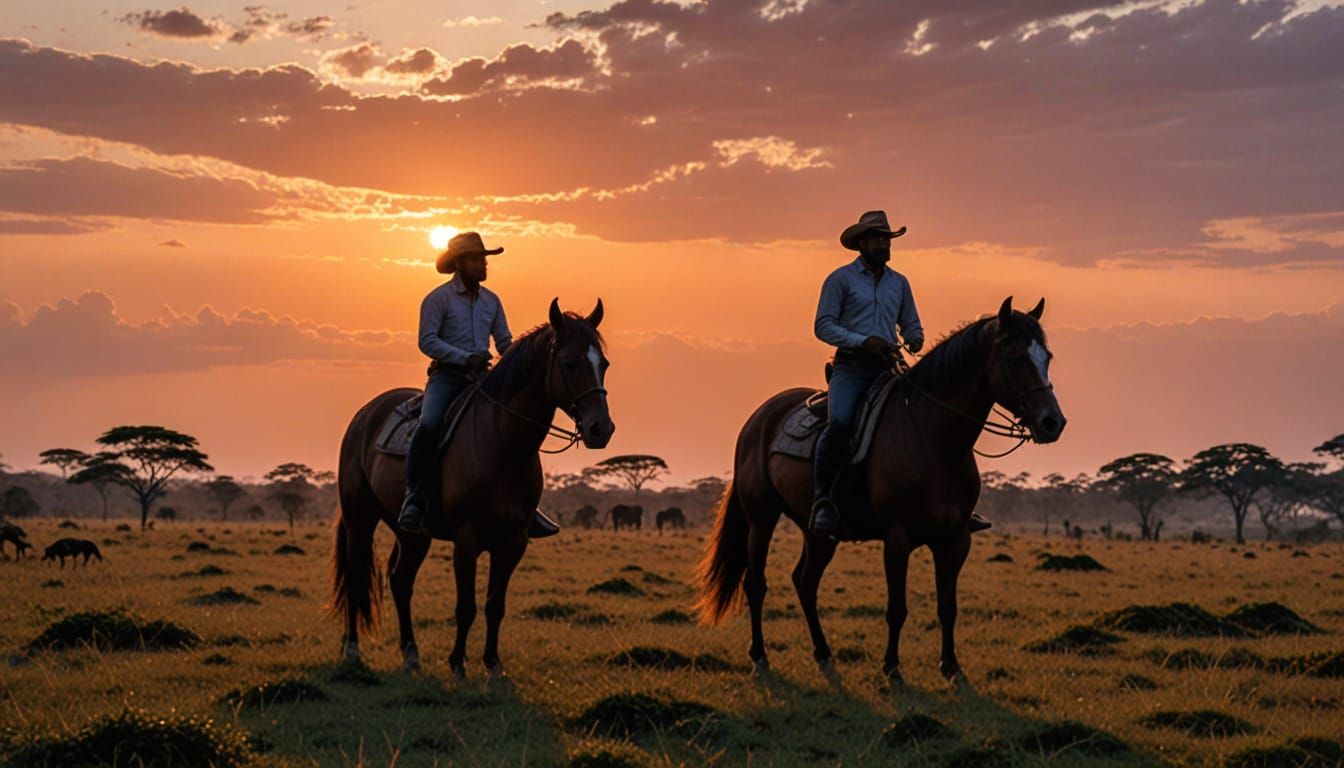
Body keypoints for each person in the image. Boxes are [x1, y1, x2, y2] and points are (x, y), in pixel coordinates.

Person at [810, 211, 992, 538]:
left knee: (932, 419)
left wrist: (915, 336)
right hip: (852, 367)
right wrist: (863, 340)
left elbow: (911, 322)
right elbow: (823, 325)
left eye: (887, 238)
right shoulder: (840, 280)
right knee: (839, 424)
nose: (884, 243)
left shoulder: (899, 283)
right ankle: (822, 499)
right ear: (861, 243)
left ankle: (955, 504)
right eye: (878, 238)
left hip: (890, 366)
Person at [397, 231, 561, 538]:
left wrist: (520, 359)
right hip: (446, 377)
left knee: (513, 428)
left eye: (484, 259)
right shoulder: (438, 299)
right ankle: (414, 497)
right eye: (477, 259)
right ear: (460, 263)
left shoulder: (491, 301)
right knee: (429, 424)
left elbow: (503, 342)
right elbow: (427, 340)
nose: (484, 265)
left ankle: (526, 505)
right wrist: (463, 357)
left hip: (483, 379)